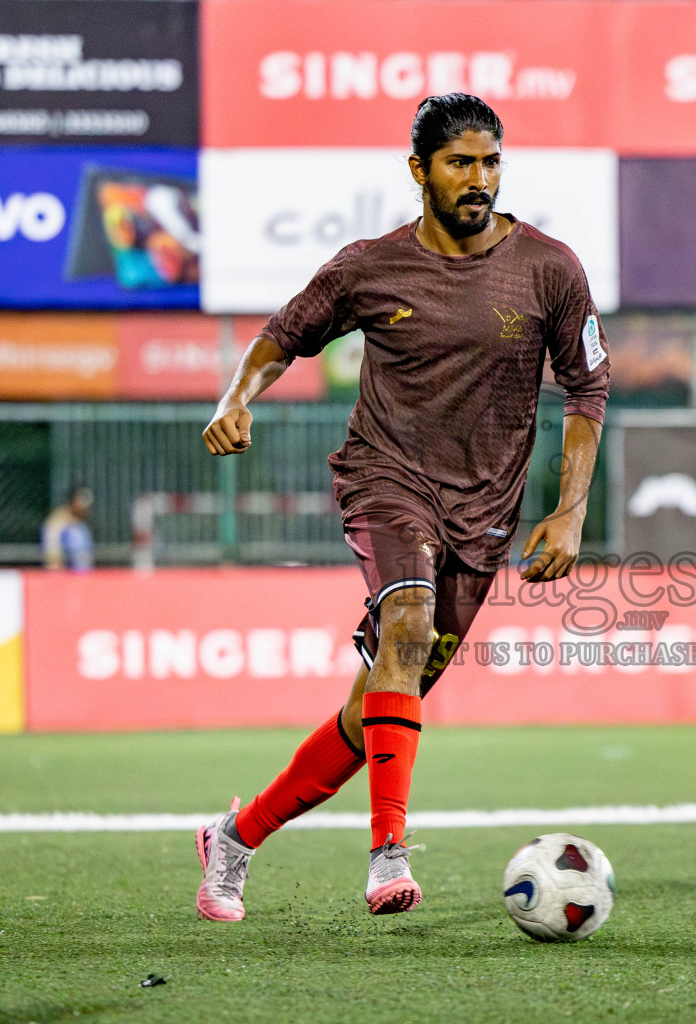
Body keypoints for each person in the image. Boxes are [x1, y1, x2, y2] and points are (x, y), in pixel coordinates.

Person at [195, 94, 610, 920]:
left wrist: (567, 512)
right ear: (419, 170)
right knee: (408, 626)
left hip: (483, 510)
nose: (479, 179)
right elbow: (282, 334)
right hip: (385, 478)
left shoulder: (550, 268)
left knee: (381, 700)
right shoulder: (370, 266)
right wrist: (236, 396)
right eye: (461, 162)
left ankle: (235, 838)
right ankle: (388, 854)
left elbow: (587, 384)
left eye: (491, 162)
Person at [41, 486, 95, 571]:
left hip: (83, 573)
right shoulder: (57, 520)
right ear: (72, 502)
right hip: (64, 574)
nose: (85, 509)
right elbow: (51, 550)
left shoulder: (82, 524)